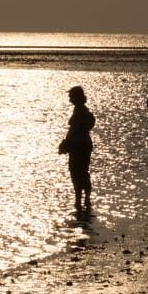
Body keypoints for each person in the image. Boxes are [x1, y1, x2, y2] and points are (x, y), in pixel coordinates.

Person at [58, 85, 95, 213]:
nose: (69, 98)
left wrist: (66, 144)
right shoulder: (81, 109)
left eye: (71, 96)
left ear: (76, 97)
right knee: (83, 172)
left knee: (77, 173)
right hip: (84, 145)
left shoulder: (80, 111)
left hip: (78, 147)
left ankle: (80, 200)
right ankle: (85, 200)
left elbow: (74, 130)